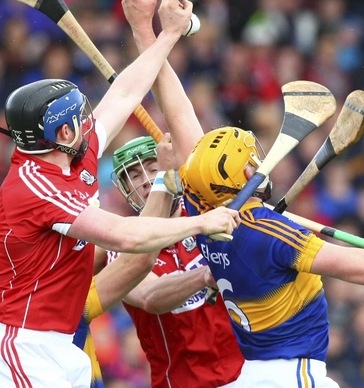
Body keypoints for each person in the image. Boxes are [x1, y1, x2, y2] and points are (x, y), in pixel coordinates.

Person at [0, 0, 240, 388]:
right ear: (62, 131)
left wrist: (164, 33)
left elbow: (126, 92)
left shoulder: (69, 153)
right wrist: (201, 223)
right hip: (26, 351)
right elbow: (126, 238)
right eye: (79, 119)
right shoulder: (36, 187)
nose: (89, 123)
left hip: (63, 346)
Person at [178, 126, 364, 387]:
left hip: (251, 375)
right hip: (294, 375)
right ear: (248, 174)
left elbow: (188, 146)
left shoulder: (203, 220)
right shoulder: (272, 232)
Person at [75, 133, 244, 388]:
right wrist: (204, 276)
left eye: (154, 169)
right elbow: (149, 296)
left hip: (247, 375)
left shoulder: (209, 218)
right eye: (134, 176)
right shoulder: (121, 247)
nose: (145, 182)